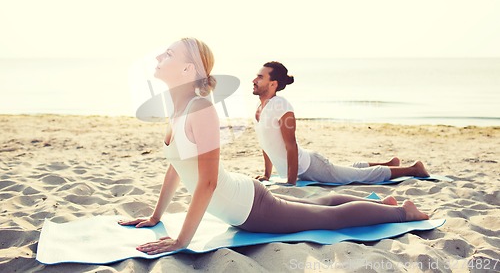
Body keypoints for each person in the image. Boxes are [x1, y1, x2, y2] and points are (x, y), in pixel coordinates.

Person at [119, 38, 429, 255]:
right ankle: (384, 205)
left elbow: (209, 182)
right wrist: (156, 216)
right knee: (317, 207)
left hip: (250, 209)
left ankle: (403, 213)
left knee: (328, 219)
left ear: (188, 70)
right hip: (244, 197)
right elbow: (177, 166)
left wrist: (182, 241)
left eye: (169, 55)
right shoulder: (177, 109)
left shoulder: (201, 110)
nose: (159, 58)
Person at [252, 61, 430, 186]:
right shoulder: (260, 109)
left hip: (309, 167)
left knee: (359, 176)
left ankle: (414, 169)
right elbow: (266, 144)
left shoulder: (281, 105)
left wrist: (291, 182)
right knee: (346, 170)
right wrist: (267, 175)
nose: (254, 80)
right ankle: (390, 162)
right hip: (303, 168)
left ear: (273, 84)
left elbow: (291, 145)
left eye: (260, 77)